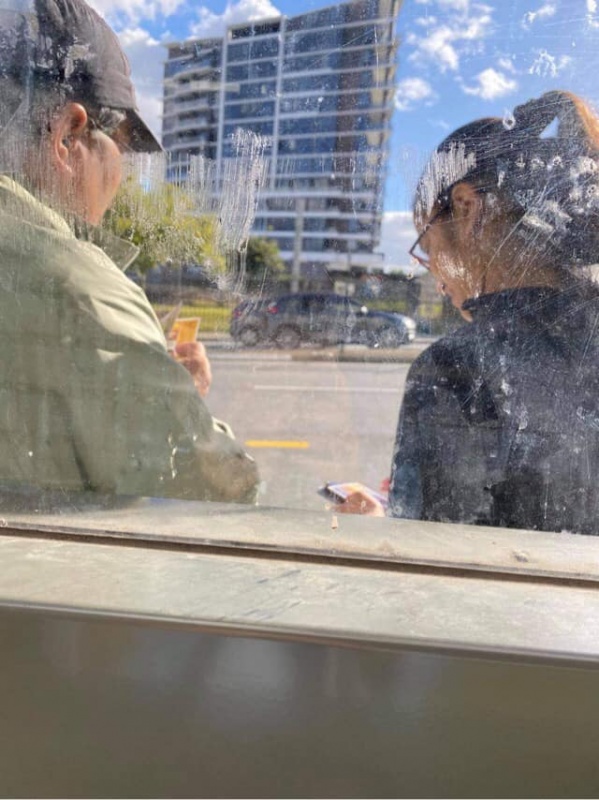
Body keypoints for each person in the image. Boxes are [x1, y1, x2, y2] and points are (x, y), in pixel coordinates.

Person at [0, 0, 259, 504]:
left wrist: (155, 389)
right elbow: (213, 491)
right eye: (121, 146)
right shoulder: (80, 289)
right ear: (68, 135)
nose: (120, 179)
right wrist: (176, 404)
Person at [339, 90, 599, 535]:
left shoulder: (455, 368)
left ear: (466, 207)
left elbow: (432, 561)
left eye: (427, 245)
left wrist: (382, 524)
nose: (436, 275)